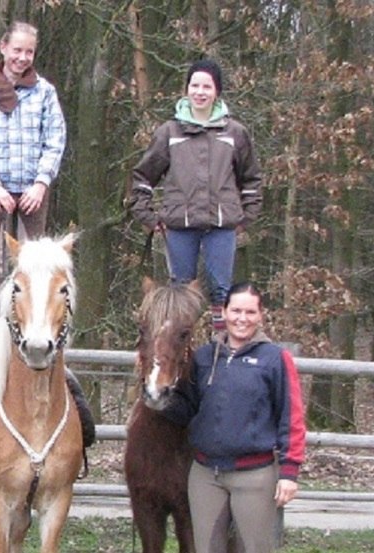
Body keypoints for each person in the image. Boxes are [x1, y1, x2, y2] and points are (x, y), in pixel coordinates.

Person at [161, 282, 307, 553]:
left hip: (255, 475)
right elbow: (187, 409)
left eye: (250, 312)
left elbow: (292, 417)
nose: (242, 318)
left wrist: (289, 472)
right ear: (224, 312)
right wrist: (159, 398)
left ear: (261, 315)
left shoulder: (274, 359)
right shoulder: (203, 357)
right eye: (236, 310)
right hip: (206, 475)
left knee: (255, 548)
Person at [129, 59, 262, 332]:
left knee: (221, 290)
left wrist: (246, 216)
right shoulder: (169, 132)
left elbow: (251, 178)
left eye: (207, 86)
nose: (200, 92)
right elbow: (143, 176)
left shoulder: (235, 133)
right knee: (181, 290)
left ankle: (222, 351)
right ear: (187, 89)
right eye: (195, 85)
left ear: (217, 91)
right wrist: (147, 215)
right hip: (179, 224)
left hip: (221, 225)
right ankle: (180, 356)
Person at [0, 21, 66, 324]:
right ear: (4, 48)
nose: (22, 57)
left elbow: (55, 139)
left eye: (29, 52)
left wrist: (40, 183)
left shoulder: (45, 92)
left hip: (32, 192)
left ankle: (32, 331)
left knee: (33, 268)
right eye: (17, 50)